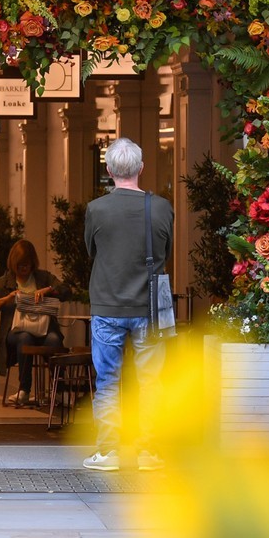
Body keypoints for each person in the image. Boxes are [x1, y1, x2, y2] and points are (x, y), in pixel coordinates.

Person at [82, 137, 173, 472]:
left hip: (107, 305)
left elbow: (91, 249)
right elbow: (165, 252)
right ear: (142, 169)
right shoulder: (162, 208)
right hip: (150, 308)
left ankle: (109, 452)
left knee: (108, 380)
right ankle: (150, 451)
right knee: (151, 381)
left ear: (108, 171)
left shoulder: (96, 209)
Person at [0, 240, 64, 406]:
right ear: (13, 264)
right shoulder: (3, 283)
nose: (23, 269)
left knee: (54, 340)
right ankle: (24, 389)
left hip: (44, 329)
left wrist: (47, 289)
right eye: (20, 266)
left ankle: (59, 390)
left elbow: (65, 290)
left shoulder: (43, 277)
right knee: (25, 337)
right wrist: (8, 298)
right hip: (16, 331)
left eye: (26, 265)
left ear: (33, 263)